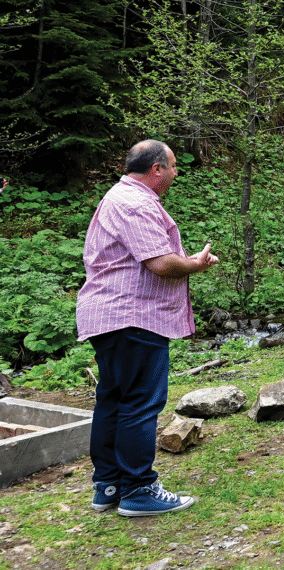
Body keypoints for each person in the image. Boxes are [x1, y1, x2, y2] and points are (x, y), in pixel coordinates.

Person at [77, 140, 218, 517]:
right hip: (131, 315)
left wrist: (183, 261)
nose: (175, 173)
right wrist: (196, 264)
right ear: (156, 169)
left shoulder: (119, 197)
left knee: (113, 400)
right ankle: (139, 490)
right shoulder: (136, 203)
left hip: (110, 316)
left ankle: (108, 486)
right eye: (172, 167)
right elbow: (160, 264)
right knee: (140, 402)